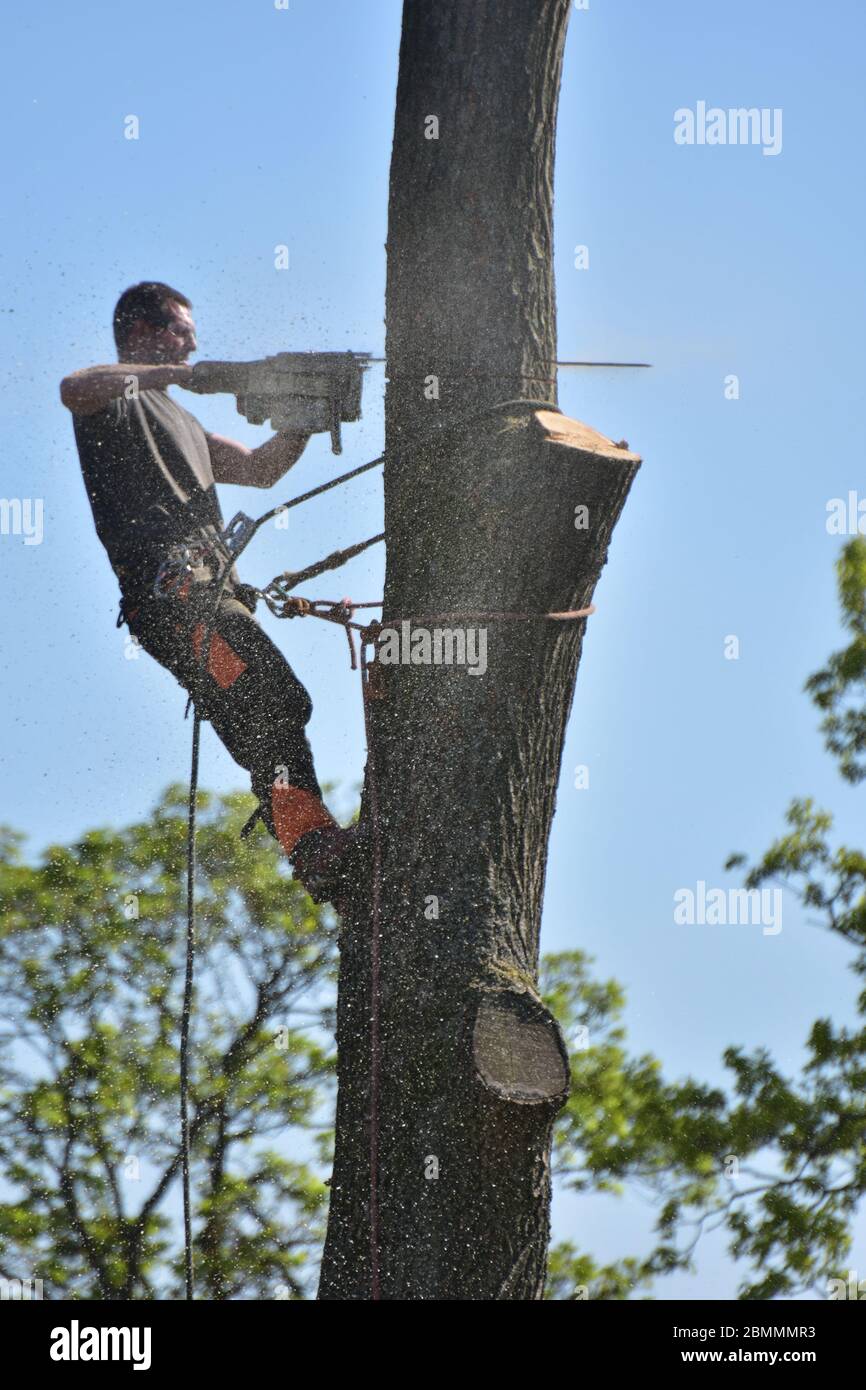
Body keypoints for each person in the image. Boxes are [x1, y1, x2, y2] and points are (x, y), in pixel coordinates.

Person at [60, 281, 357, 905]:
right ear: (140, 330)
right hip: (173, 595)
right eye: (180, 331)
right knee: (269, 696)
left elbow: (258, 466)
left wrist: (300, 421)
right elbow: (74, 387)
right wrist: (184, 374)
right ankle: (310, 843)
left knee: (272, 703)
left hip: (210, 590)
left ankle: (315, 845)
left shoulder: (183, 419)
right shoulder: (112, 396)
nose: (192, 342)